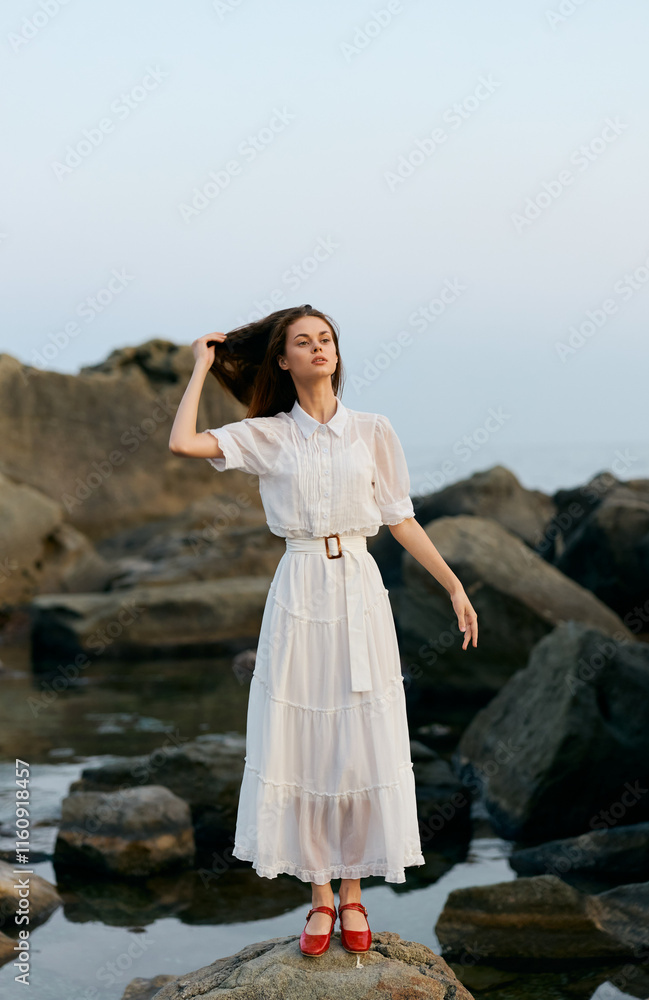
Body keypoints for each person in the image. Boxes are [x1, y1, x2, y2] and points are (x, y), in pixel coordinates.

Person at [169, 304, 478, 958]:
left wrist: (451, 585)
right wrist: (201, 366)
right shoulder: (268, 434)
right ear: (281, 359)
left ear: (337, 352)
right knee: (304, 737)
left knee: (359, 733)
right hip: (301, 584)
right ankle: (317, 898)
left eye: (326, 339)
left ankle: (354, 891)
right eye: (303, 342)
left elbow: (399, 518)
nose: (318, 349)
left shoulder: (372, 430)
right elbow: (183, 443)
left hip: (361, 587)